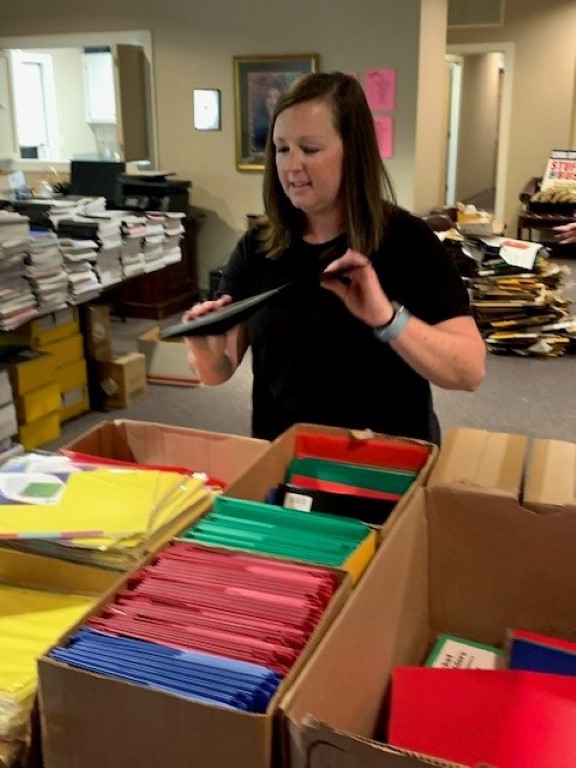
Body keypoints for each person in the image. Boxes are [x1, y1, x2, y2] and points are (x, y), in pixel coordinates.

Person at [182, 71, 486, 444]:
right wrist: (204, 347)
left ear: (352, 151)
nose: (292, 166)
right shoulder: (259, 246)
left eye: (309, 149)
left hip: (384, 465)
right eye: (281, 148)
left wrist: (388, 320)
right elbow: (217, 373)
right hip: (286, 461)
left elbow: (469, 371)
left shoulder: (408, 241)